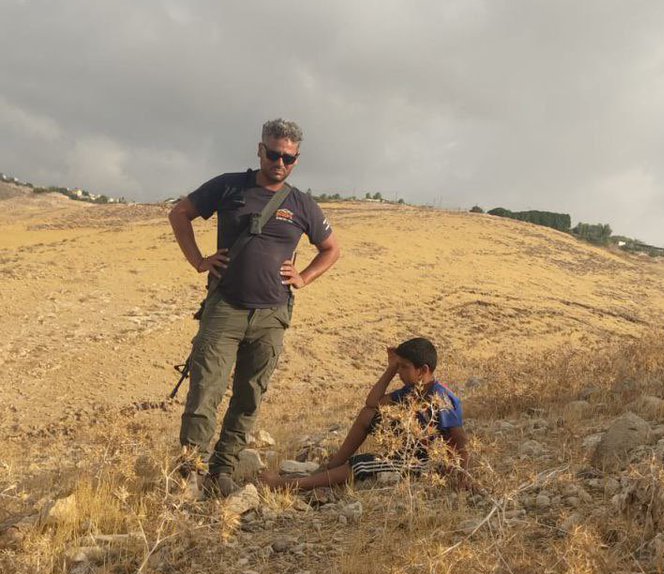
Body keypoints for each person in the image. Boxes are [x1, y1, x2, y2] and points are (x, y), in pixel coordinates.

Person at [169, 119, 340, 494]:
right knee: (204, 395)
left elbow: (331, 249)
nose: (280, 162)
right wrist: (199, 261)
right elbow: (179, 214)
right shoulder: (229, 185)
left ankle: (221, 471)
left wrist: (304, 277)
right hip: (224, 310)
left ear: (296, 159)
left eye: (288, 157)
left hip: (271, 316)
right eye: (274, 153)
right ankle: (188, 475)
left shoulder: (301, 204)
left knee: (249, 398)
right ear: (260, 150)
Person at [261, 337, 468, 492]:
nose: (400, 373)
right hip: (410, 445)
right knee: (368, 415)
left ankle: (292, 485)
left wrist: (461, 475)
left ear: (423, 370)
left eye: (404, 367)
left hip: (425, 460)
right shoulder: (411, 390)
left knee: (361, 463)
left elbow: (459, 440)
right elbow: (373, 403)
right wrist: (390, 369)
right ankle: (332, 466)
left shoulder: (442, 398)